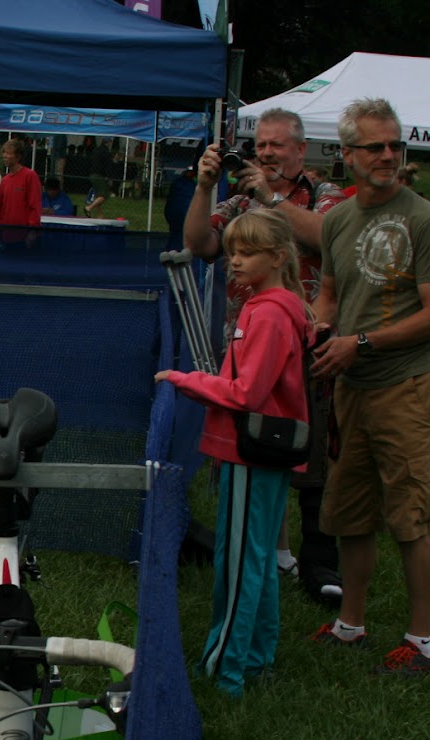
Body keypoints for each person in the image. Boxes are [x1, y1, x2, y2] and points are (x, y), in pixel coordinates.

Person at [308, 98, 430, 676]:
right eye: (375, 147)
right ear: (347, 154)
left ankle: (421, 641)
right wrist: (318, 329)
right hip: (352, 387)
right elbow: (330, 294)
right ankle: (351, 624)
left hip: (408, 385)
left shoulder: (426, 219)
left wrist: (361, 343)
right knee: (351, 511)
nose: (389, 155)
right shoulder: (338, 220)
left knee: (411, 515)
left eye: (395, 145)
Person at [183, 107, 347, 608]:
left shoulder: (324, 194)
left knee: (312, 458)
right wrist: (204, 187)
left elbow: (329, 238)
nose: (268, 153)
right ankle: (273, 551)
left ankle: (319, 563)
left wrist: (270, 198)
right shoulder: (237, 200)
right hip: (247, 345)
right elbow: (198, 243)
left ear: (301, 149)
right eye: (262, 145)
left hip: (309, 348)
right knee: (258, 446)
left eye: (278, 145)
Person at [156, 211, 311, 696]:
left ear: (278, 257)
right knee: (256, 557)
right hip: (263, 451)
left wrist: (186, 380)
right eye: (232, 253)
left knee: (240, 560)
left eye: (247, 253)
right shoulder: (273, 308)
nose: (235, 262)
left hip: (253, 451)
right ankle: (256, 659)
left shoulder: (267, 313)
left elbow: (247, 393)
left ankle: (225, 667)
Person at [0, 138, 41, 241]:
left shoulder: (30, 176)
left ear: (18, 156)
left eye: (8, 153)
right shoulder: (5, 180)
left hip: (24, 234)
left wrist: (33, 230)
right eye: (4, 153)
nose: (4, 156)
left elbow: (34, 204)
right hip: (7, 234)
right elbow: (1, 208)